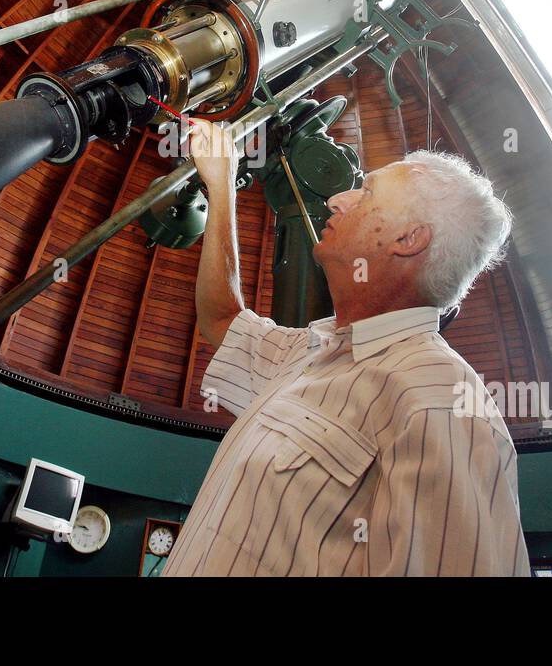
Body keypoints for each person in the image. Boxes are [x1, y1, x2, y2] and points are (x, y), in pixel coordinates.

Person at [161, 118, 530, 576]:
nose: (337, 198)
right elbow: (221, 317)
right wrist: (222, 187)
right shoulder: (310, 353)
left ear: (408, 238)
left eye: (367, 193)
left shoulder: (442, 398)